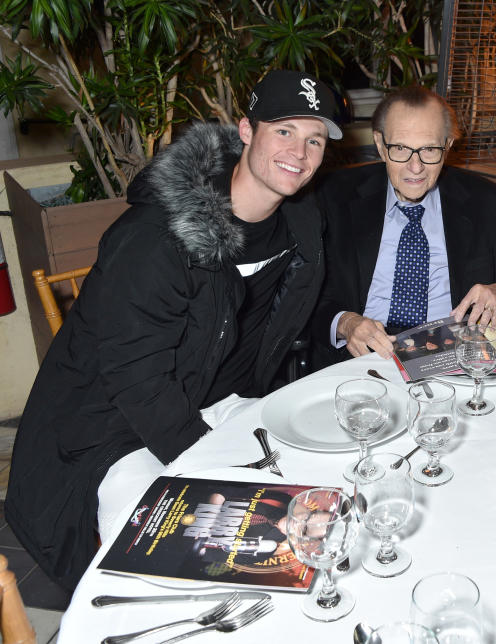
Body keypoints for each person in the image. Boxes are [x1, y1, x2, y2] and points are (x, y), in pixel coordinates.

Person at [5, 69, 339, 591]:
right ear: (246, 130)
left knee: (327, 485)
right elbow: (135, 380)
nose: (299, 151)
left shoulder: (302, 220)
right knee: (175, 566)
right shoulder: (155, 238)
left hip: (221, 396)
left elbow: (293, 313)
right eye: (284, 130)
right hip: (118, 428)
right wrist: (211, 460)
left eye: (314, 138)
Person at [312, 86, 496, 361]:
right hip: (360, 360)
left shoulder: (489, 201)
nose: (416, 166)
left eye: (429, 149)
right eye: (400, 148)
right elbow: (304, 297)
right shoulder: (332, 197)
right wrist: (345, 323)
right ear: (379, 144)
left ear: (447, 146)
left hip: (456, 357)